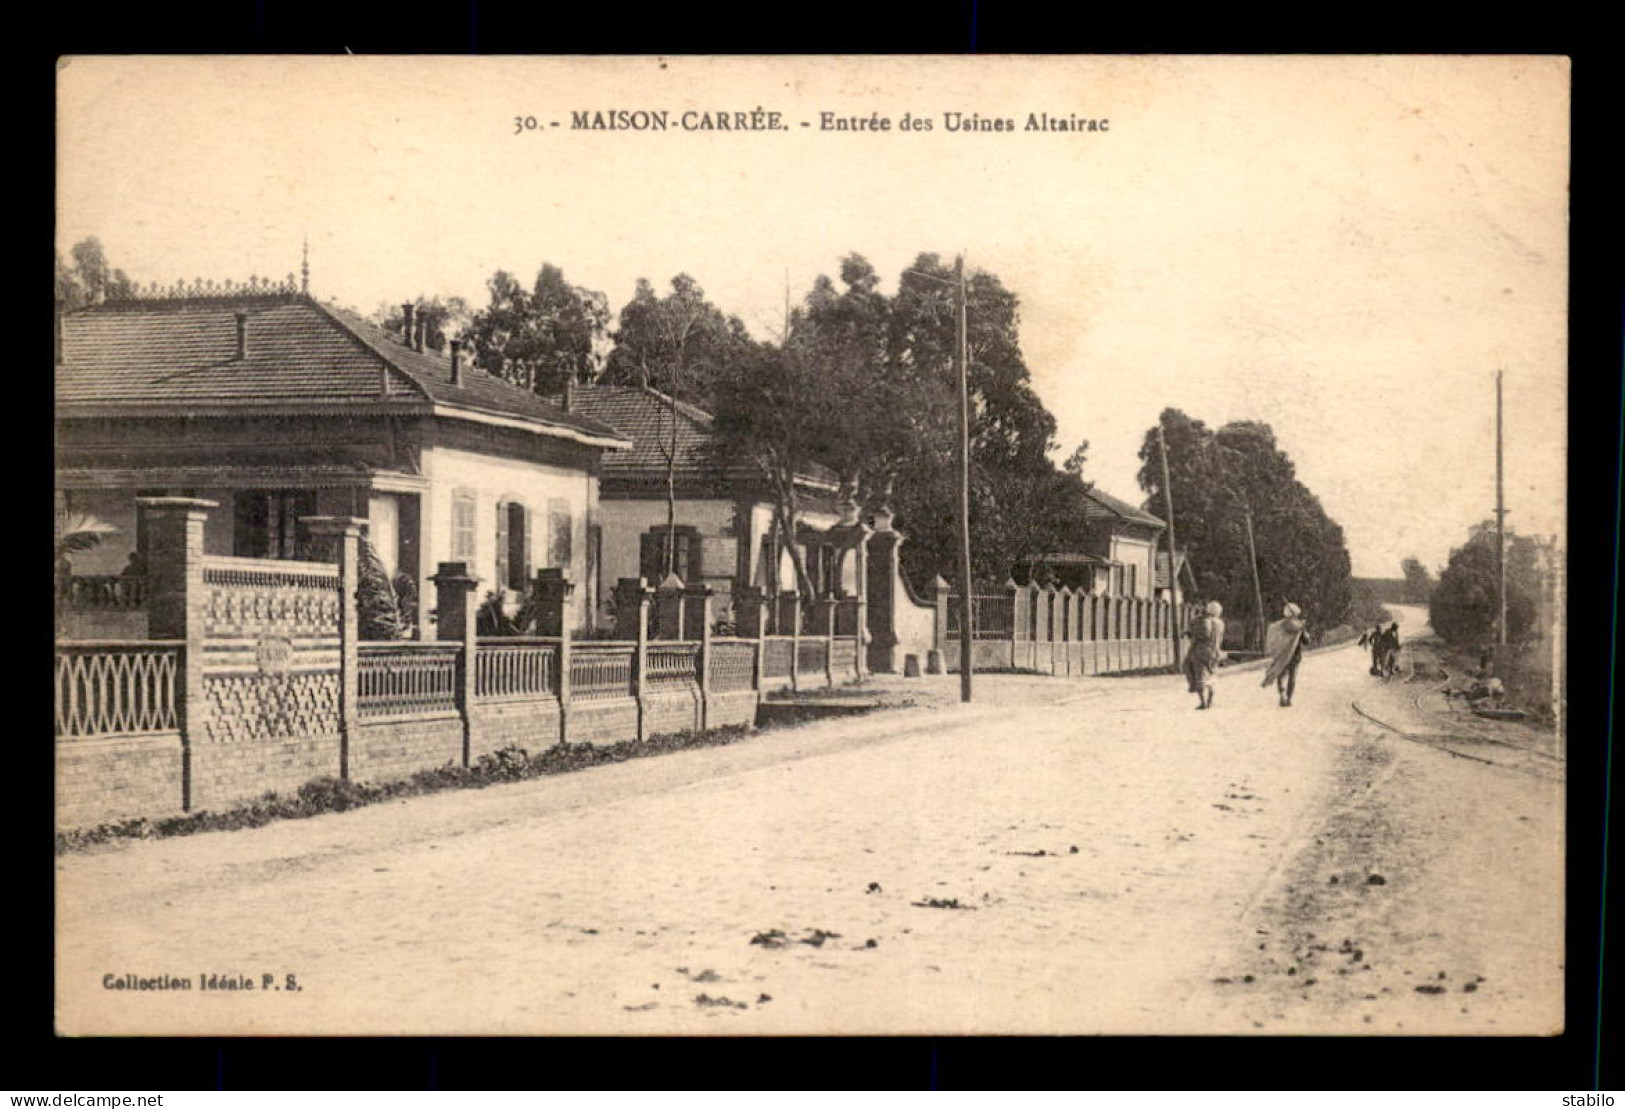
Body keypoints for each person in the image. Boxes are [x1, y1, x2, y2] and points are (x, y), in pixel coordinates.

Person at [1262, 602, 1308, 707]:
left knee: (1281, 675)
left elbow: (1273, 637)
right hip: (1295, 656)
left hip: (1282, 655)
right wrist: (1304, 629)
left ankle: (1282, 694)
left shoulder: (1279, 625)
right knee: (1292, 677)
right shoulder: (1299, 626)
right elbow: (1306, 641)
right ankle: (1289, 699)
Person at [1183, 600, 1226, 709]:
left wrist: (1190, 633)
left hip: (1201, 651)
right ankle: (1210, 701)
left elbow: (1202, 634)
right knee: (1211, 675)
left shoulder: (1202, 621)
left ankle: (1203, 702)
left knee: (1199, 675)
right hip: (1215, 652)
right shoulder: (1220, 623)